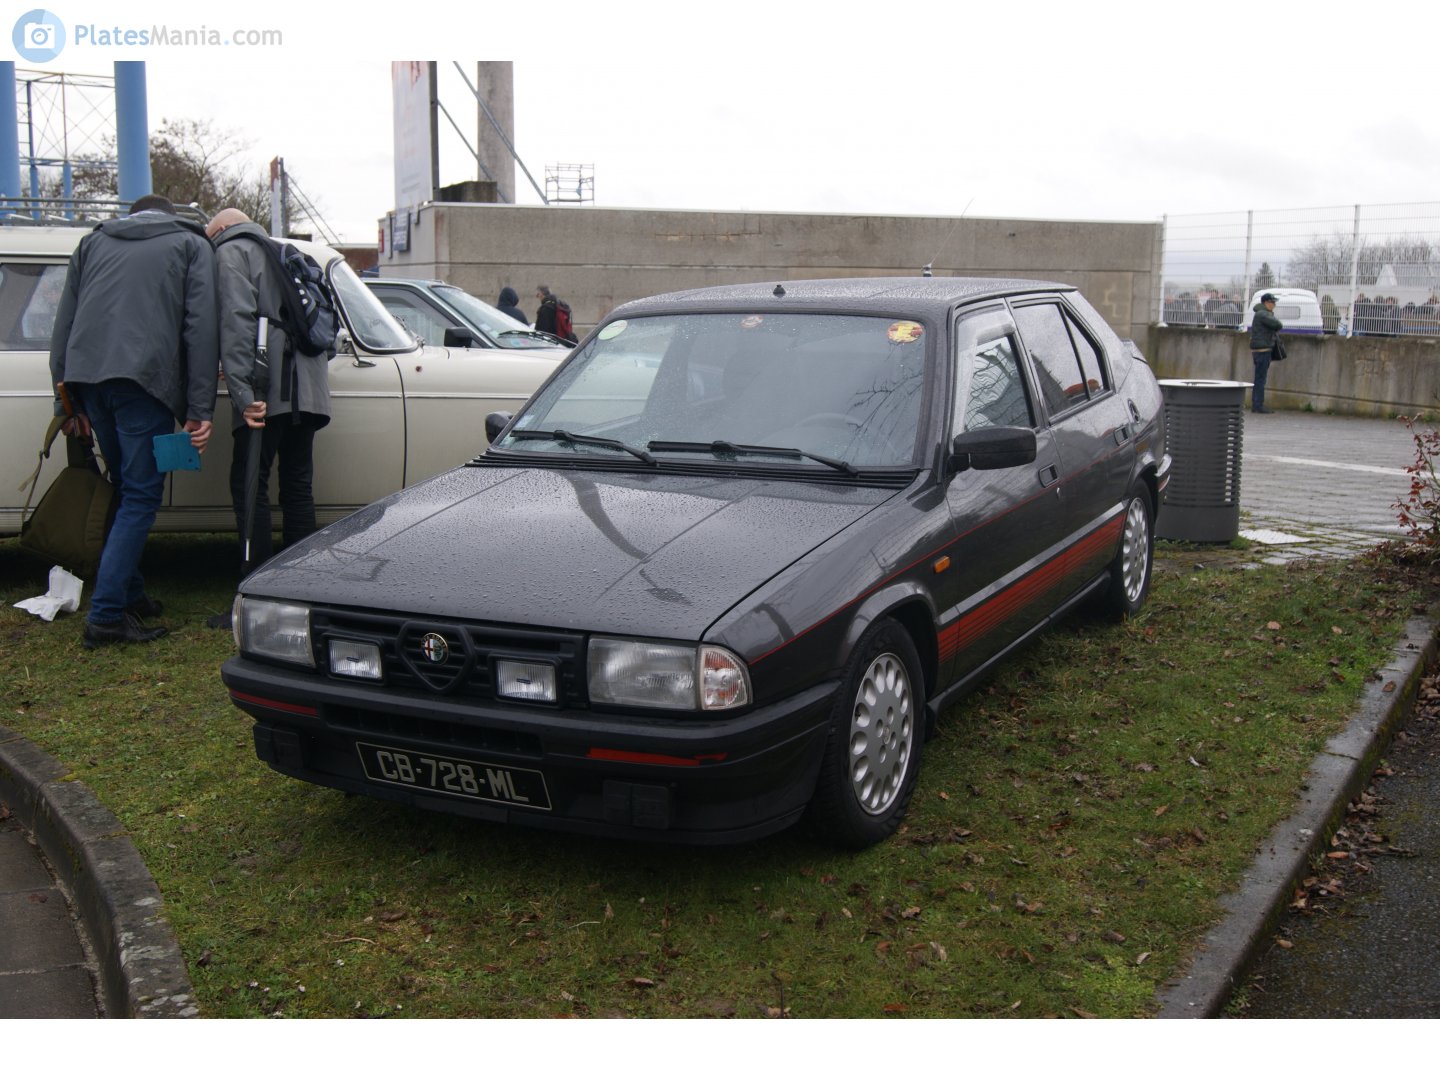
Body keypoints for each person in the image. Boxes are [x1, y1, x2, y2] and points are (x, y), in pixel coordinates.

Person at [48, 194, 218, 648]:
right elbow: (200, 329)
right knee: (141, 495)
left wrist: (64, 401)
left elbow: (63, 324)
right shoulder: (190, 244)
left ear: (133, 215)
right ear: (169, 214)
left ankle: (130, 592)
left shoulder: (93, 242)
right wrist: (201, 408)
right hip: (144, 380)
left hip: (89, 381)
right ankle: (105, 617)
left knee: (125, 487)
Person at [206, 209, 332, 628]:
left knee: (249, 484)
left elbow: (236, 322)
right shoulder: (286, 251)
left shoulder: (232, 253)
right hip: (310, 388)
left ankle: (255, 593)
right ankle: (301, 593)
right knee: (297, 485)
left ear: (221, 230)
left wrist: (242, 394)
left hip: (267, 390)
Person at [1248, 291, 1283, 414]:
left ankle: (1257, 404)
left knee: (1259, 377)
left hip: (1260, 349)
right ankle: (1258, 405)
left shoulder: (1261, 313)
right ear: (1266, 302)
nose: (1274, 305)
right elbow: (1278, 324)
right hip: (1263, 350)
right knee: (1260, 378)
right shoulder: (1263, 314)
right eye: (1272, 302)